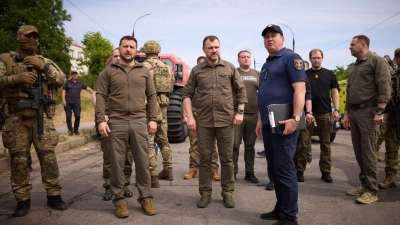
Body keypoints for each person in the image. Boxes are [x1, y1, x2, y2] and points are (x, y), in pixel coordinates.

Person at [0, 25, 68, 217]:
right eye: (27, 36)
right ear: (18, 37)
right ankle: (22, 200)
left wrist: (43, 67)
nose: (31, 39)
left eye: (35, 37)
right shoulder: (4, 59)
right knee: (19, 160)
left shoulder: (45, 60)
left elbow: (61, 79)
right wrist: (16, 78)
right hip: (15, 118)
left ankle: (54, 195)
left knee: (48, 158)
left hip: (42, 118)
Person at [182, 35, 247, 209]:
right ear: (204, 49)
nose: (214, 50)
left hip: (226, 121)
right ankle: (205, 194)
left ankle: (227, 193)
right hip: (203, 122)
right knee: (204, 160)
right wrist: (189, 116)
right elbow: (186, 94)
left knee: (226, 160)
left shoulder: (229, 68)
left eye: (217, 47)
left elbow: (241, 91)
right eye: (210, 47)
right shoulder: (197, 70)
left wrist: (239, 112)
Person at [96, 35, 157, 218]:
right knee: (117, 164)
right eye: (125, 46)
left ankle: (145, 198)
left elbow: (152, 96)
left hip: (139, 121)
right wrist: (101, 120)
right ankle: (120, 202)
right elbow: (100, 96)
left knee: (143, 163)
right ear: (120, 49)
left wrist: (153, 118)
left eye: (132, 47)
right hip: (116, 121)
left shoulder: (144, 71)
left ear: (136, 50)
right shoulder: (108, 71)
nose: (128, 50)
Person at [256, 24, 306, 225]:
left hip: (284, 121)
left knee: (285, 169)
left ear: (282, 39)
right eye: (266, 36)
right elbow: (263, 94)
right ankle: (281, 207)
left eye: (274, 36)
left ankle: (289, 217)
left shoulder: (291, 58)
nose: (270, 39)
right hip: (269, 122)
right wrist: (260, 121)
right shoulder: (267, 64)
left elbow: (300, 90)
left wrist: (295, 119)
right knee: (275, 169)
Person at [344, 35, 391, 204]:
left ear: (363, 45)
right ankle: (364, 184)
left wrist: (380, 111)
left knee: (369, 152)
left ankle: (372, 190)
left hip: (370, 112)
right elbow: (350, 91)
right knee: (359, 151)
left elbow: (385, 85)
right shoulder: (354, 66)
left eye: (352, 44)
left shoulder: (376, 61)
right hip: (355, 113)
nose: (349, 47)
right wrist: (347, 112)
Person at [92, 47, 134, 201]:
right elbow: (96, 96)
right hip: (110, 120)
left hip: (127, 120)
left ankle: (124, 184)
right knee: (110, 156)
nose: (117, 58)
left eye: (119, 55)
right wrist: (102, 117)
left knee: (128, 156)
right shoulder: (106, 74)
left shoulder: (130, 73)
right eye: (115, 56)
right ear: (112, 57)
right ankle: (109, 186)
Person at [296, 49, 340, 183]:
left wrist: (336, 110)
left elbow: (335, 93)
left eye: (318, 58)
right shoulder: (304, 74)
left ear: (322, 58)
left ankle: (326, 172)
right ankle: (299, 171)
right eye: (314, 58)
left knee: (325, 143)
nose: (316, 60)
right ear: (310, 59)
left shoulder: (329, 74)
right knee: (303, 143)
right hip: (306, 113)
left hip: (325, 112)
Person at [182, 56, 221, 181]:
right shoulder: (193, 78)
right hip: (194, 114)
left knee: (212, 144)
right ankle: (193, 169)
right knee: (194, 144)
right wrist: (186, 116)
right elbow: (185, 97)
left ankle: (213, 169)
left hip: (209, 115)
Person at [142, 40, 174, 184]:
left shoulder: (142, 67)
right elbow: (171, 87)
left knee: (148, 141)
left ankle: (152, 175)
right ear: (158, 51)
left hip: (147, 106)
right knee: (163, 140)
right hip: (163, 106)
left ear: (146, 50)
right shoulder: (166, 67)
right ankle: (168, 170)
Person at [233, 50, 259, 183]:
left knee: (250, 146)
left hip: (253, 115)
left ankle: (250, 172)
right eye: (243, 57)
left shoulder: (257, 74)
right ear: (238, 59)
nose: (246, 59)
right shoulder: (233, 73)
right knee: (234, 145)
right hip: (236, 115)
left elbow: (262, 93)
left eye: (248, 57)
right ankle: (232, 173)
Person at [377, 47, 400, 189]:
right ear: (395, 58)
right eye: (398, 56)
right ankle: (390, 177)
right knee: (391, 148)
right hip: (393, 117)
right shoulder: (391, 75)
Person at [62, 70, 94, 135]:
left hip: (76, 103)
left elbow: (88, 88)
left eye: (76, 74)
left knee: (78, 116)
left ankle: (76, 130)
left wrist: (94, 93)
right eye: (73, 74)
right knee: (68, 117)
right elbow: (63, 92)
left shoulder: (80, 83)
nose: (74, 75)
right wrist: (63, 100)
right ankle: (70, 130)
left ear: (77, 75)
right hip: (68, 103)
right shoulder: (67, 83)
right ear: (71, 75)